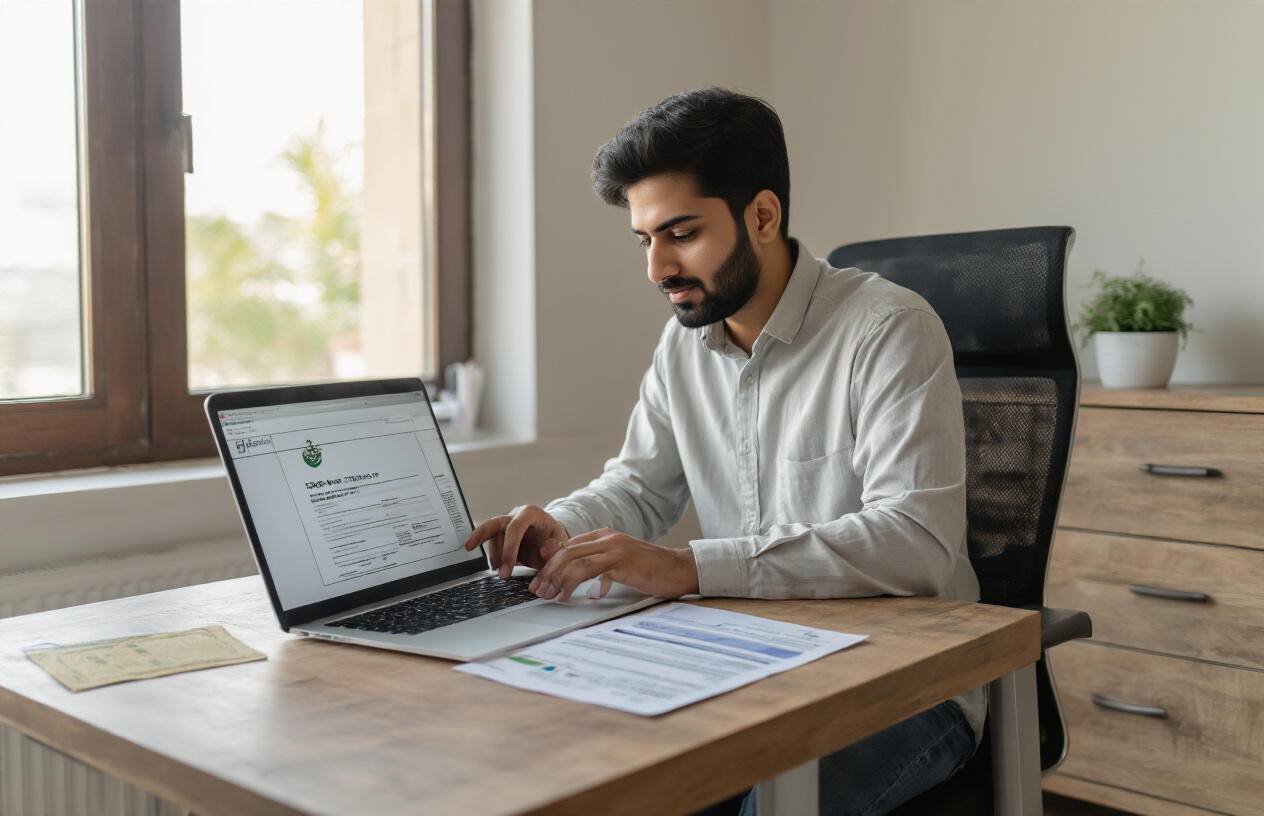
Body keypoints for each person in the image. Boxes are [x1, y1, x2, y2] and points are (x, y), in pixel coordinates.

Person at [463, 87, 982, 816]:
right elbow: (641, 487)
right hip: (746, 659)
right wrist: (563, 524)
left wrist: (686, 568)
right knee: (593, 780)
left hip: (907, 682)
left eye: (680, 234)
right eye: (646, 240)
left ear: (762, 216)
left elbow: (916, 542)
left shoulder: (887, 328)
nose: (657, 268)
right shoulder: (685, 347)